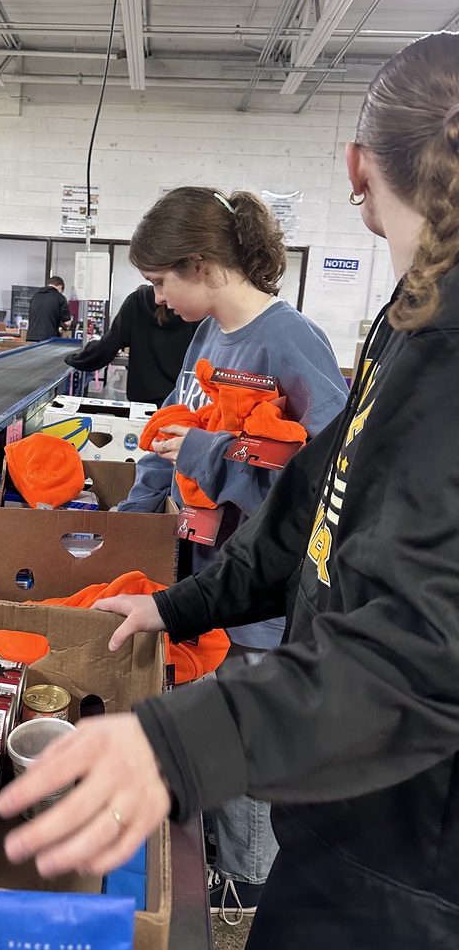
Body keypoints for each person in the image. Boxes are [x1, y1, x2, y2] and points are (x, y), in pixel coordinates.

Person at [0, 31, 459, 948]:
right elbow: (311, 513)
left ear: (357, 166)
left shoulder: (439, 351)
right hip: (350, 815)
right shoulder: (410, 323)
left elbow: (424, 650)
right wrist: (180, 605)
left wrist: (174, 745)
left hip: (410, 864)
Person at [111, 185, 347, 919]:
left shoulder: (289, 341)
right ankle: (219, 860)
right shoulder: (210, 334)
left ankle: (247, 890)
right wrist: (133, 513)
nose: (156, 300)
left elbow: (327, 477)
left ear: (200, 264)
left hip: (260, 600)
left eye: (160, 282)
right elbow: (174, 425)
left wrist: (208, 456)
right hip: (205, 577)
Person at [64, 284, 200, 407]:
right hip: (182, 402)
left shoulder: (137, 301)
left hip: (142, 404)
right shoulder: (194, 304)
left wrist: (75, 359)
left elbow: (108, 345)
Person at [26, 275, 72, 342]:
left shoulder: (35, 296)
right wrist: (63, 326)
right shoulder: (60, 298)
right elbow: (67, 323)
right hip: (48, 339)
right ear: (60, 287)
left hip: (31, 337)